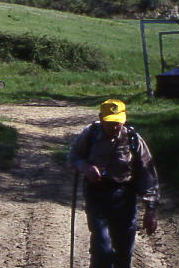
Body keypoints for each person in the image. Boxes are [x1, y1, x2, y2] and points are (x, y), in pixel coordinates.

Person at [68, 99, 160, 268]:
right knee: (102, 249)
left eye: (118, 122)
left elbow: (148, 173)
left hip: (125, 197)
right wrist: (85, 167)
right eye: (110, 122)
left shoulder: (132, 139)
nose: (114, 127)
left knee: (124, 252)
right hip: (97, 196)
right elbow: (73, 156)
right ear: (101, 118)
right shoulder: (90, 135)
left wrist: (150, 210)